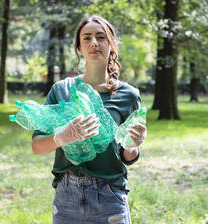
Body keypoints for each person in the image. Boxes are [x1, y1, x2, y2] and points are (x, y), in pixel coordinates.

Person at [31, 16, 147, 224]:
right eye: (87, 38)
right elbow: (37, 146)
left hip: (109, 196)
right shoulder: (61, 90)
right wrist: (61, 137)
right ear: (79, 48)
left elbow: (127, 156)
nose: (94, 42)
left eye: (100, 37)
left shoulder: (128, 95)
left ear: (111, 44)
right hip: (67, 197)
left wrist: (133, 145)